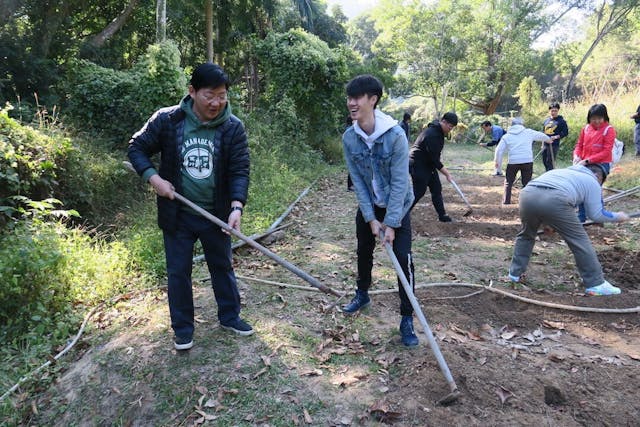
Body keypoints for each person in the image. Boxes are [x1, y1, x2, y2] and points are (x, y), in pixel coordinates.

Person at [128, 63, 252, 351]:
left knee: (222, 266)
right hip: (178, 215)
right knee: (178, 272)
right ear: (192, 92)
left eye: (222, 96)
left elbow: (239, 169)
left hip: (216, 214)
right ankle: (183, 329)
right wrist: (154, 178)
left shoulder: (232, 127)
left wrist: (236, 207)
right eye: (210, 95)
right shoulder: (167, 120)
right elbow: (136, 148)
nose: (217, 102)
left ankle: (230, 316)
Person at [341, 74, 418, 347]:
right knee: (364, 249)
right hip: (371, 204)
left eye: (357, 98)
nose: (351, 103)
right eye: (349, 98)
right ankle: (362, 293)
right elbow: (358, 182)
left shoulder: (395, 136)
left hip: (398, 204)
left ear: (372, 100)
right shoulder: (350, 138)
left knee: (402, 258)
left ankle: (407, 317)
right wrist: (371, 218)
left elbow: (400, 183)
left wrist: (392, 223)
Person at [508, 163, 629, 296]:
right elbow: (596, 215)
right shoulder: (592, 181)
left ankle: (515, 274)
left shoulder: (562, 172)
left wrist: (548, 224)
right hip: (556, 198)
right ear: (598, 176)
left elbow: (543, 196)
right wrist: (618, 216)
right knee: (579, 240)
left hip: (527, 194)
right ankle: (596, 284)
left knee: (526, 235)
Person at [409, 112, 458, 222]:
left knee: (436, 188)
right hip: (418, 163)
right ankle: (401, 215)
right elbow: (435, 160)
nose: (451, 129)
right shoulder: (433, 135)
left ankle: (442, 215)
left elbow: (435, 157)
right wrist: (447, 174)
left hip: (428, 164)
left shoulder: (438, 131)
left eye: (452, 127)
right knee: (419, 191)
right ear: (444, 122)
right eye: (450, 126)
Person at [573, 103, 615, 222]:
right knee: (581, 188)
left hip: (600, 164)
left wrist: (587, 160)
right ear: (589, 118)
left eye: (599, 118)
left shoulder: (608, 130)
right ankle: (581, 216)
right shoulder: (586, 129)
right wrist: (576, 156)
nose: (596, 121)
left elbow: (606, 151)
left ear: (604, 117)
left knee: (594, 187)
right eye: (593, 118)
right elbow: (579, 145)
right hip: (584, 163)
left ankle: (600, 216)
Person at [494, 117, 551, 204]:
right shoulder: (528, 132)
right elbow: (541, 136)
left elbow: (499, 151)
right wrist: (549, 139)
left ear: (511, 126)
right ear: (521, 125)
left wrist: (497, 165)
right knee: (527, 183)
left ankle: (506, 202)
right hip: (527, 161)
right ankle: (526, 203)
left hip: (513, 162)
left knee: (508, 183)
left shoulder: (506, 136)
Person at [541, 102, 569, 171]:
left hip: (553, 145)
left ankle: (550, 175)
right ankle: (547, 173)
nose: (553, 112)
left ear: (558, 111)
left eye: (555, 111)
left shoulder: (561, 121)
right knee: (544, 161)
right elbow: (543, 133)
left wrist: (556, 137)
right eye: (552, 111)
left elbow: (565, 132)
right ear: (549, 111)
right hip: (545, 144)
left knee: (550, 161)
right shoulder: (546, 121)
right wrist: (542, 144)